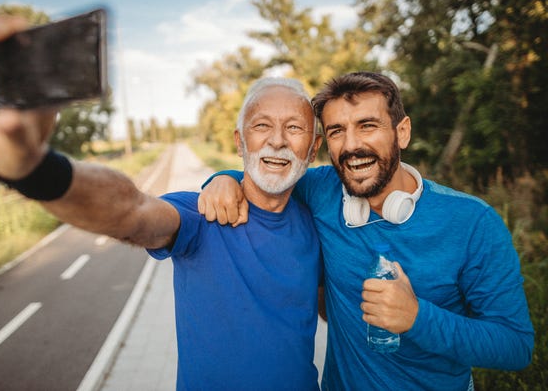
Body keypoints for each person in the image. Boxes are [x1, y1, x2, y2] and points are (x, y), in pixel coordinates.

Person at [0, 16, 325, 391]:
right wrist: (34, 170)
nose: (277, 140)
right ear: (239, 142)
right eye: (262, 126)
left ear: (313, 149)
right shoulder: (201, 215)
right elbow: (129, 210)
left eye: (294, 128)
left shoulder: (318, 220)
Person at [198, 71, 535, 390]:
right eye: (336, 131)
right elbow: (269, 171)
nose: (351, 145)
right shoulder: (321, 189)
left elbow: (515, 345)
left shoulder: (473, 222)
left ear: (402, 132)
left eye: (367, 125)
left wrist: (418, 318)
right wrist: (223, 179)